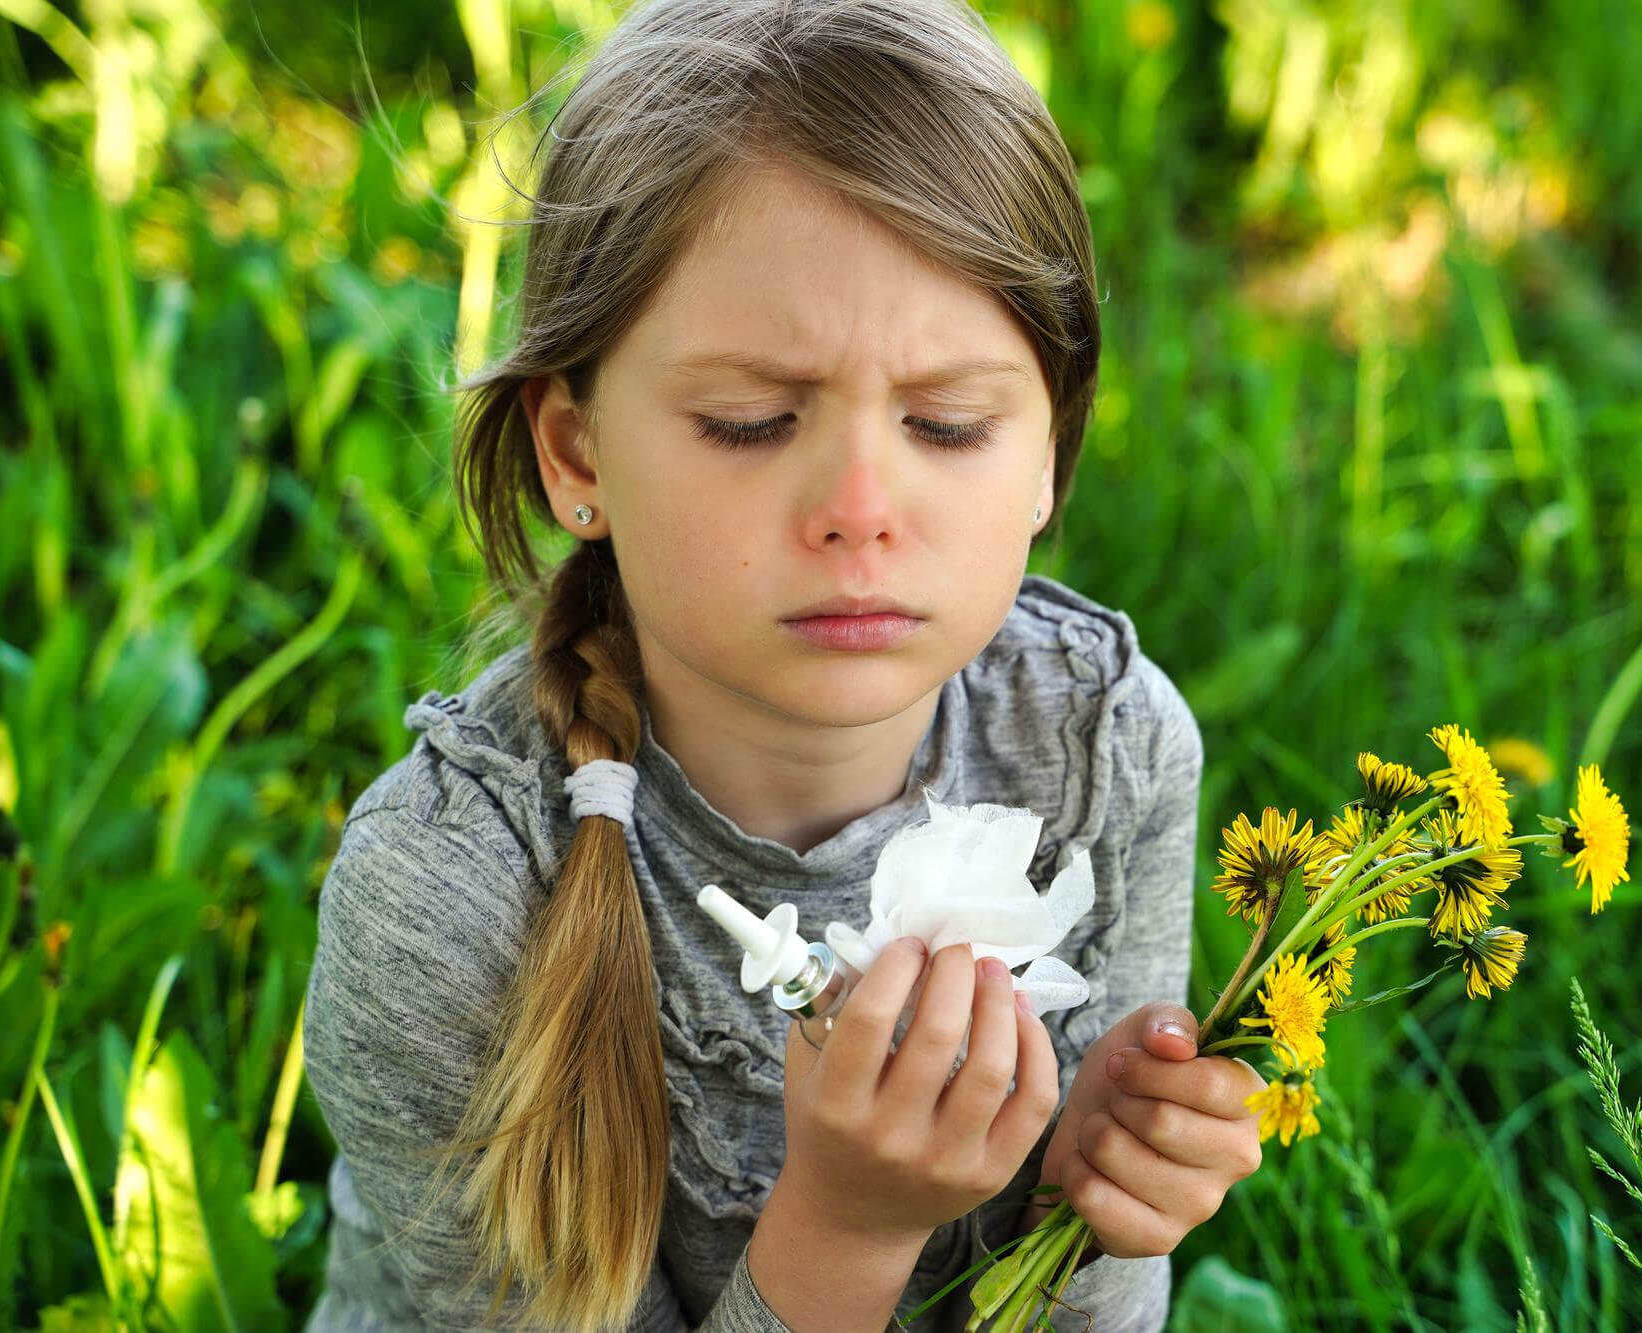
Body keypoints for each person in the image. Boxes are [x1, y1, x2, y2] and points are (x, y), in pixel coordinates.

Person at [300, 0, 1265, 1328]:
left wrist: (1083, 1193)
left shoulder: (1106, 746)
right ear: (577, 456)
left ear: (1049, 446)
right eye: (752, 423)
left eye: (947, 421)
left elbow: (1099, 1301)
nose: (860, 506)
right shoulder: (448, 902)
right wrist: (843, 1233)